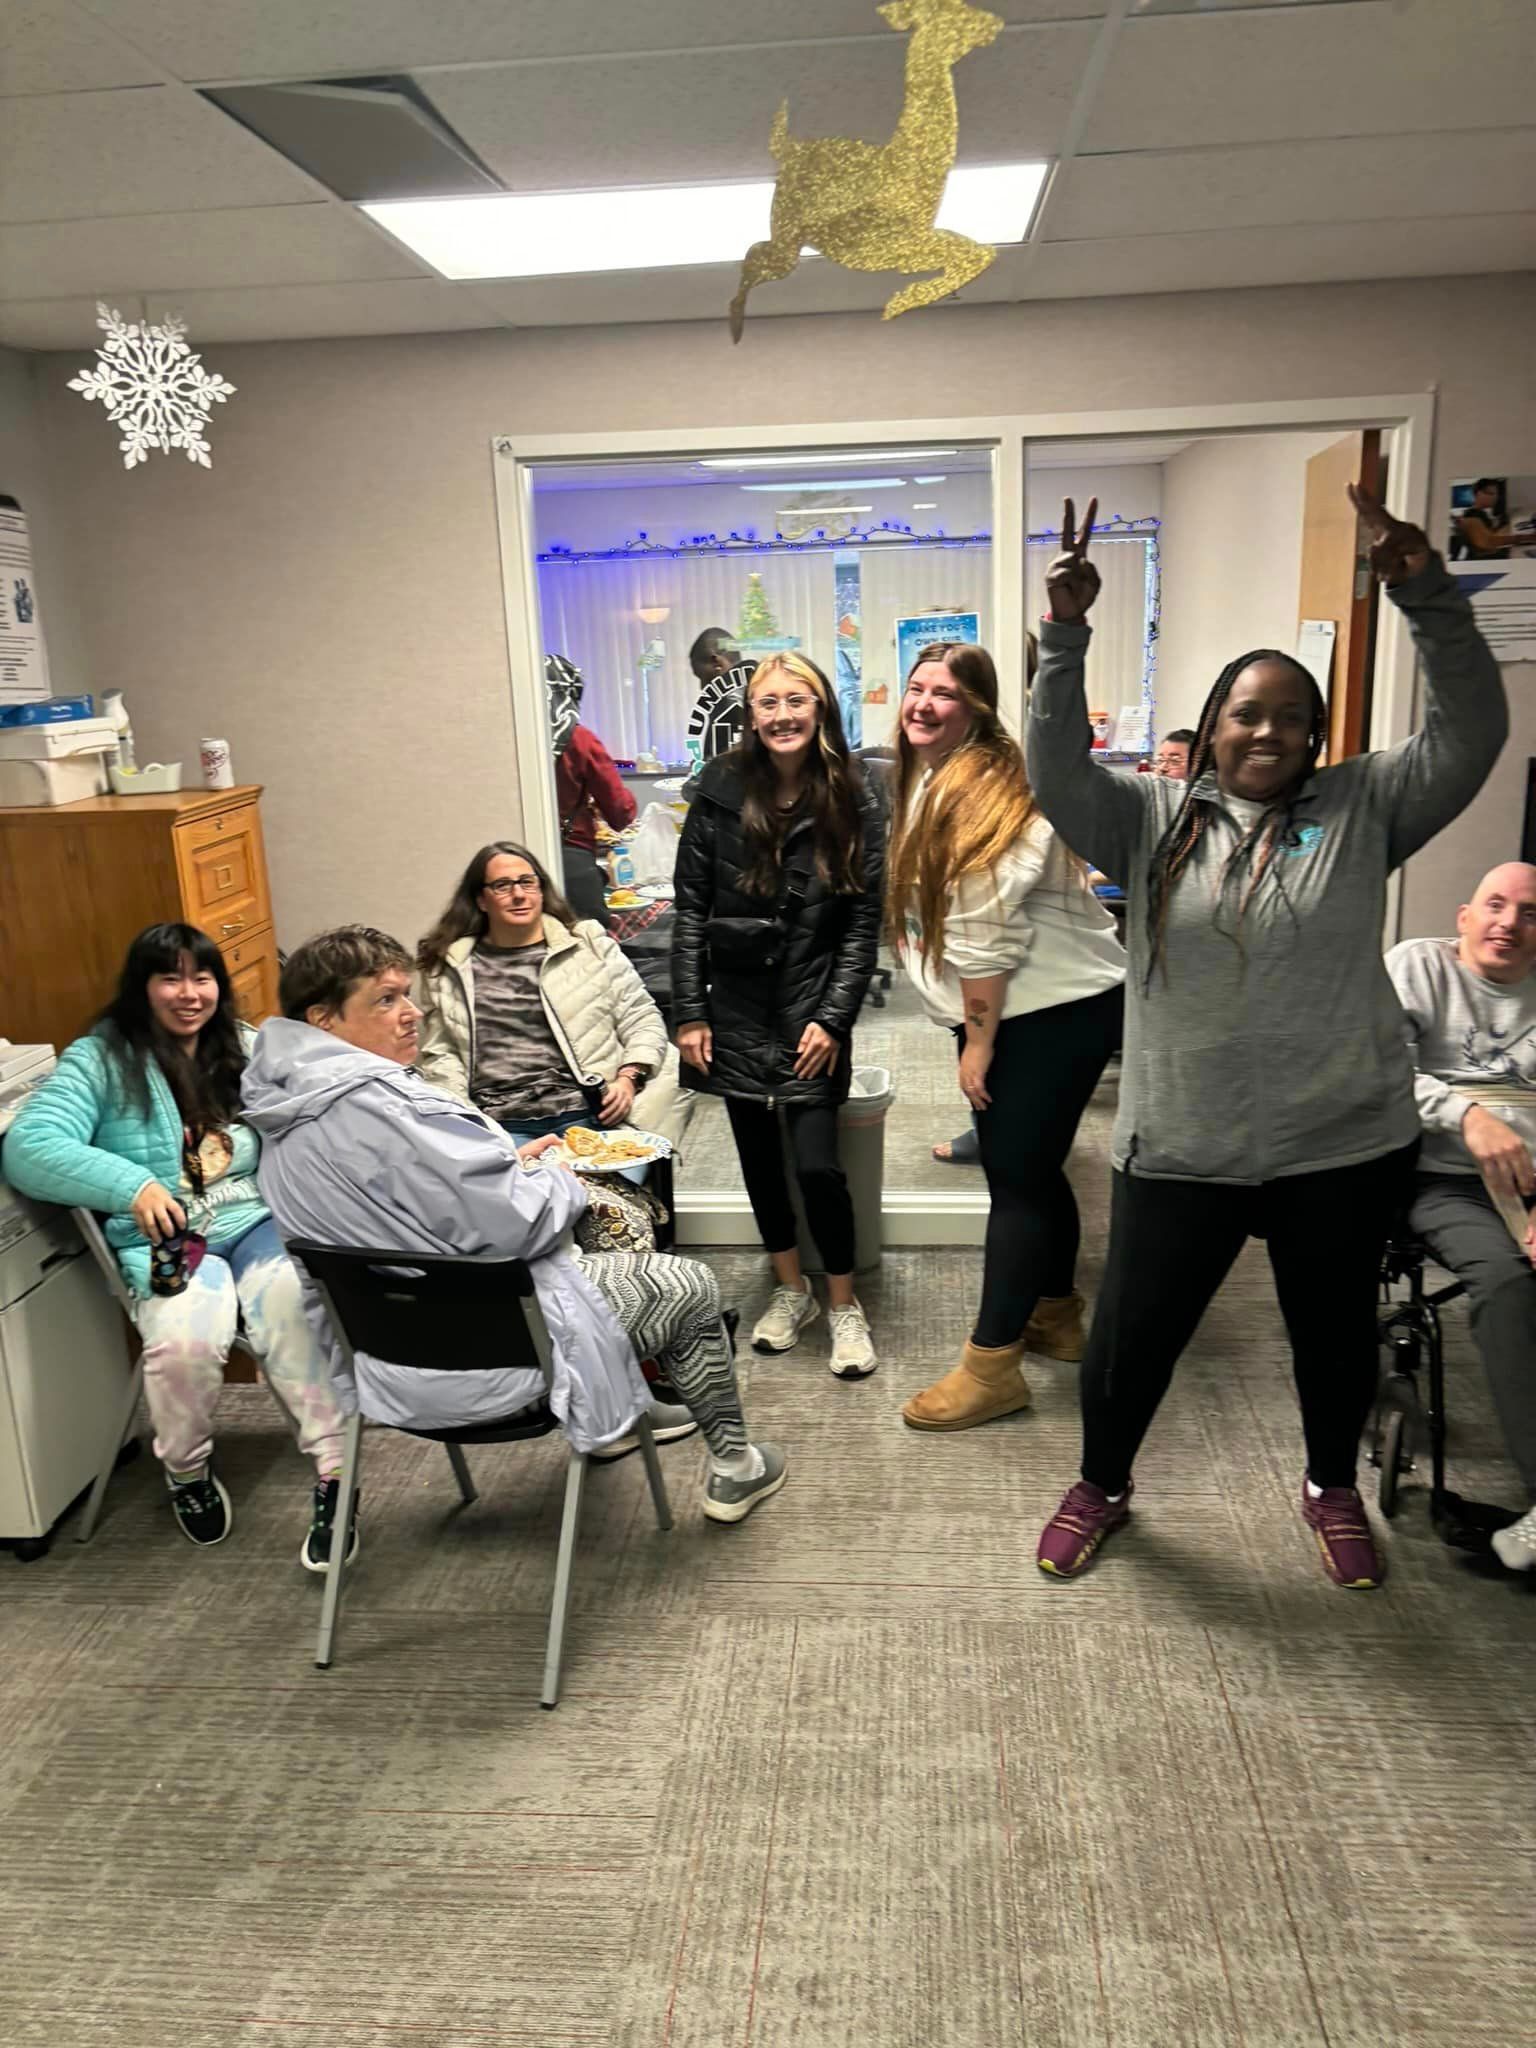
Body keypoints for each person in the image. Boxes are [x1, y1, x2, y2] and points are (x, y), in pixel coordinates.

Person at [1026, 485, 1507, 1589]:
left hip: (1338, 1141)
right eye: (1247, 711)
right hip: (1183, 1144)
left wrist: (1427, 591)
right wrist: (1065, 635)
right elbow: (1053, 768)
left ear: (1315, 733)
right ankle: (1102, 1481)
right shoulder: (1148, 815)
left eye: (1290, 714)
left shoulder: (1367, 804)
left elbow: (1475, 729)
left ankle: (1330, 1484)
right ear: (1214, 720)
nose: (1267, 730)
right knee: (1134, 1339)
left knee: (1332, 1333)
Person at [241, 926, 786, 1523]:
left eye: (407, 995)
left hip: (389, 1363)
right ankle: (739, 1467)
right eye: (386, 999)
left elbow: (412, 1209)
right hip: (497, 1358)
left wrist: (501, 1165)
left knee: (607, 1249)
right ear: (323, 1019)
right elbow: (518, 1225)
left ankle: (627, 1404)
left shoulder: (280, 1112)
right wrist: (556, 1176)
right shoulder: (389, 1108)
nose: (412, 1012)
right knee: (690, 1285)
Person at [2, 923, 351, 1562]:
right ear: (142, 988)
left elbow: (320, 1103)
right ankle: (186, 1472)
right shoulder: (101, 1059)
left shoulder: (245, 1045)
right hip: (169, 1241)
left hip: (256, 1222)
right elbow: (27, 1147)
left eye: (202, 977)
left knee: (294, 1312)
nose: (189, 994)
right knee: (186, 1343)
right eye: (170, 978)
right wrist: (132, 1186)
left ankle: (337, 1475)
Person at [888, 642, 1125, 1430]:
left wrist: (977, 1043)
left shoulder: (984, 790)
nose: (922, 704)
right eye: (916, 689)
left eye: (944, 693)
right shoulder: (943, 776)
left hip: (1046, 1012)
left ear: (979, 709)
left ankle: (993, 1369)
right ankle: (1055, 1316)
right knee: (1034, 1171)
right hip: (1037, 1008)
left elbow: (984, 936)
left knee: (1016, 1187)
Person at [671, 652, 883, 1376]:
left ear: (820, 708)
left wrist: (835, 1018)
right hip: (731, 1008)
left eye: (798, 700)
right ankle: (790, 1290)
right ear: (751, 714)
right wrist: (689, 1014)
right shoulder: (719, 792)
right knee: (761, 1165)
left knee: (820, 1168)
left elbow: (862, 924)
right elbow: (691, 910)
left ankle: (844, 1305)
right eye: (769, 702)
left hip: (810, 1009)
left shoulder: (855, 796)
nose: (783, 714)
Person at [1386, 862, 1536, 1572]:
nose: (1510, 922)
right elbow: (1376, 1062)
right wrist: (1467, 1113)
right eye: (1496, 905)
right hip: (1448, 1180)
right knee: (1509, 1285)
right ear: (1464, 916)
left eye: (1530, 912)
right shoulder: (1418, 967)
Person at [415, 839, 679, 1158]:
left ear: (541, 890)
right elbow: (440, 1058)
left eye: (527, 882)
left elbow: (642, 1018)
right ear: (481, 900)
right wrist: (473, 1127)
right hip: (502, 1127)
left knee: (594, 1203)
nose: (518, 894)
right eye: (502, 886)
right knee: (520, 1201)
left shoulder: (591, 948)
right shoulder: (450, 969)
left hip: (591, 1121)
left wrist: (628, 1078)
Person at [548, 653, 636, 927]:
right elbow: (621, 812)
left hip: (521, 859)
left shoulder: (517, 735)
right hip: (571, 861)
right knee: (590, 948)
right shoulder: (580, 739)